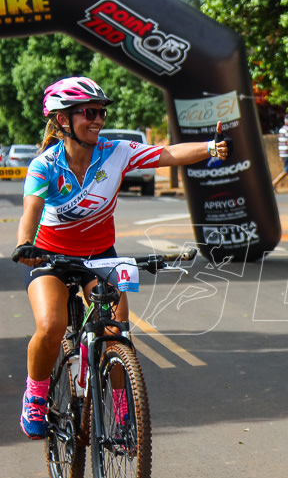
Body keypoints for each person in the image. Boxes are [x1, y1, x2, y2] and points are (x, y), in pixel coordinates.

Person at [11, 76, 230, 440]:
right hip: (51, 258)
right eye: (90, 112)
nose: (99, 119)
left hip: (100, 256)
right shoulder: (44, 166)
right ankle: (34, 396)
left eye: (102, 112)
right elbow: (30, 210)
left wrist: (212, 147)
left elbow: (168, 154)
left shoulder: (116, 152)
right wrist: (24, 245)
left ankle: (123, 407)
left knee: (115, 334)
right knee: (50, 325)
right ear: (63, 120)